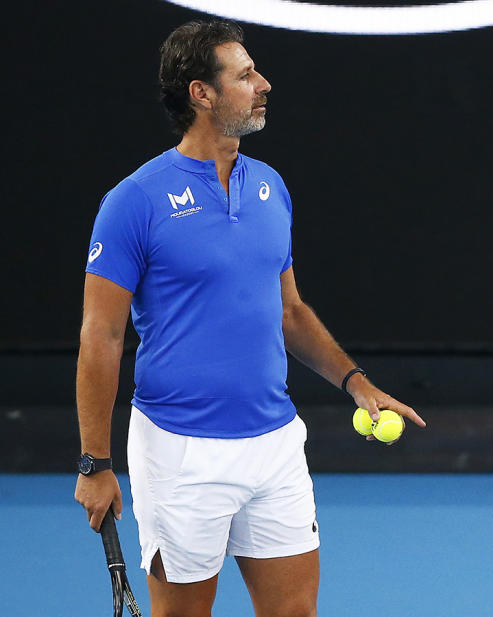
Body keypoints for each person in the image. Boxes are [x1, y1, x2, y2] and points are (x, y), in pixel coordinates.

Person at [74, 20, 425, 617]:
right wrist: (96, 463)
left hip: (275, 445)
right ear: (201, 94)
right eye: (244, 75)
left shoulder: (270, 187)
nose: (264, 84)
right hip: (179, 450)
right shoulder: (134, 201)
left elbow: (289, 310)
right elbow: (101, 337)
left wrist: (359, 385)